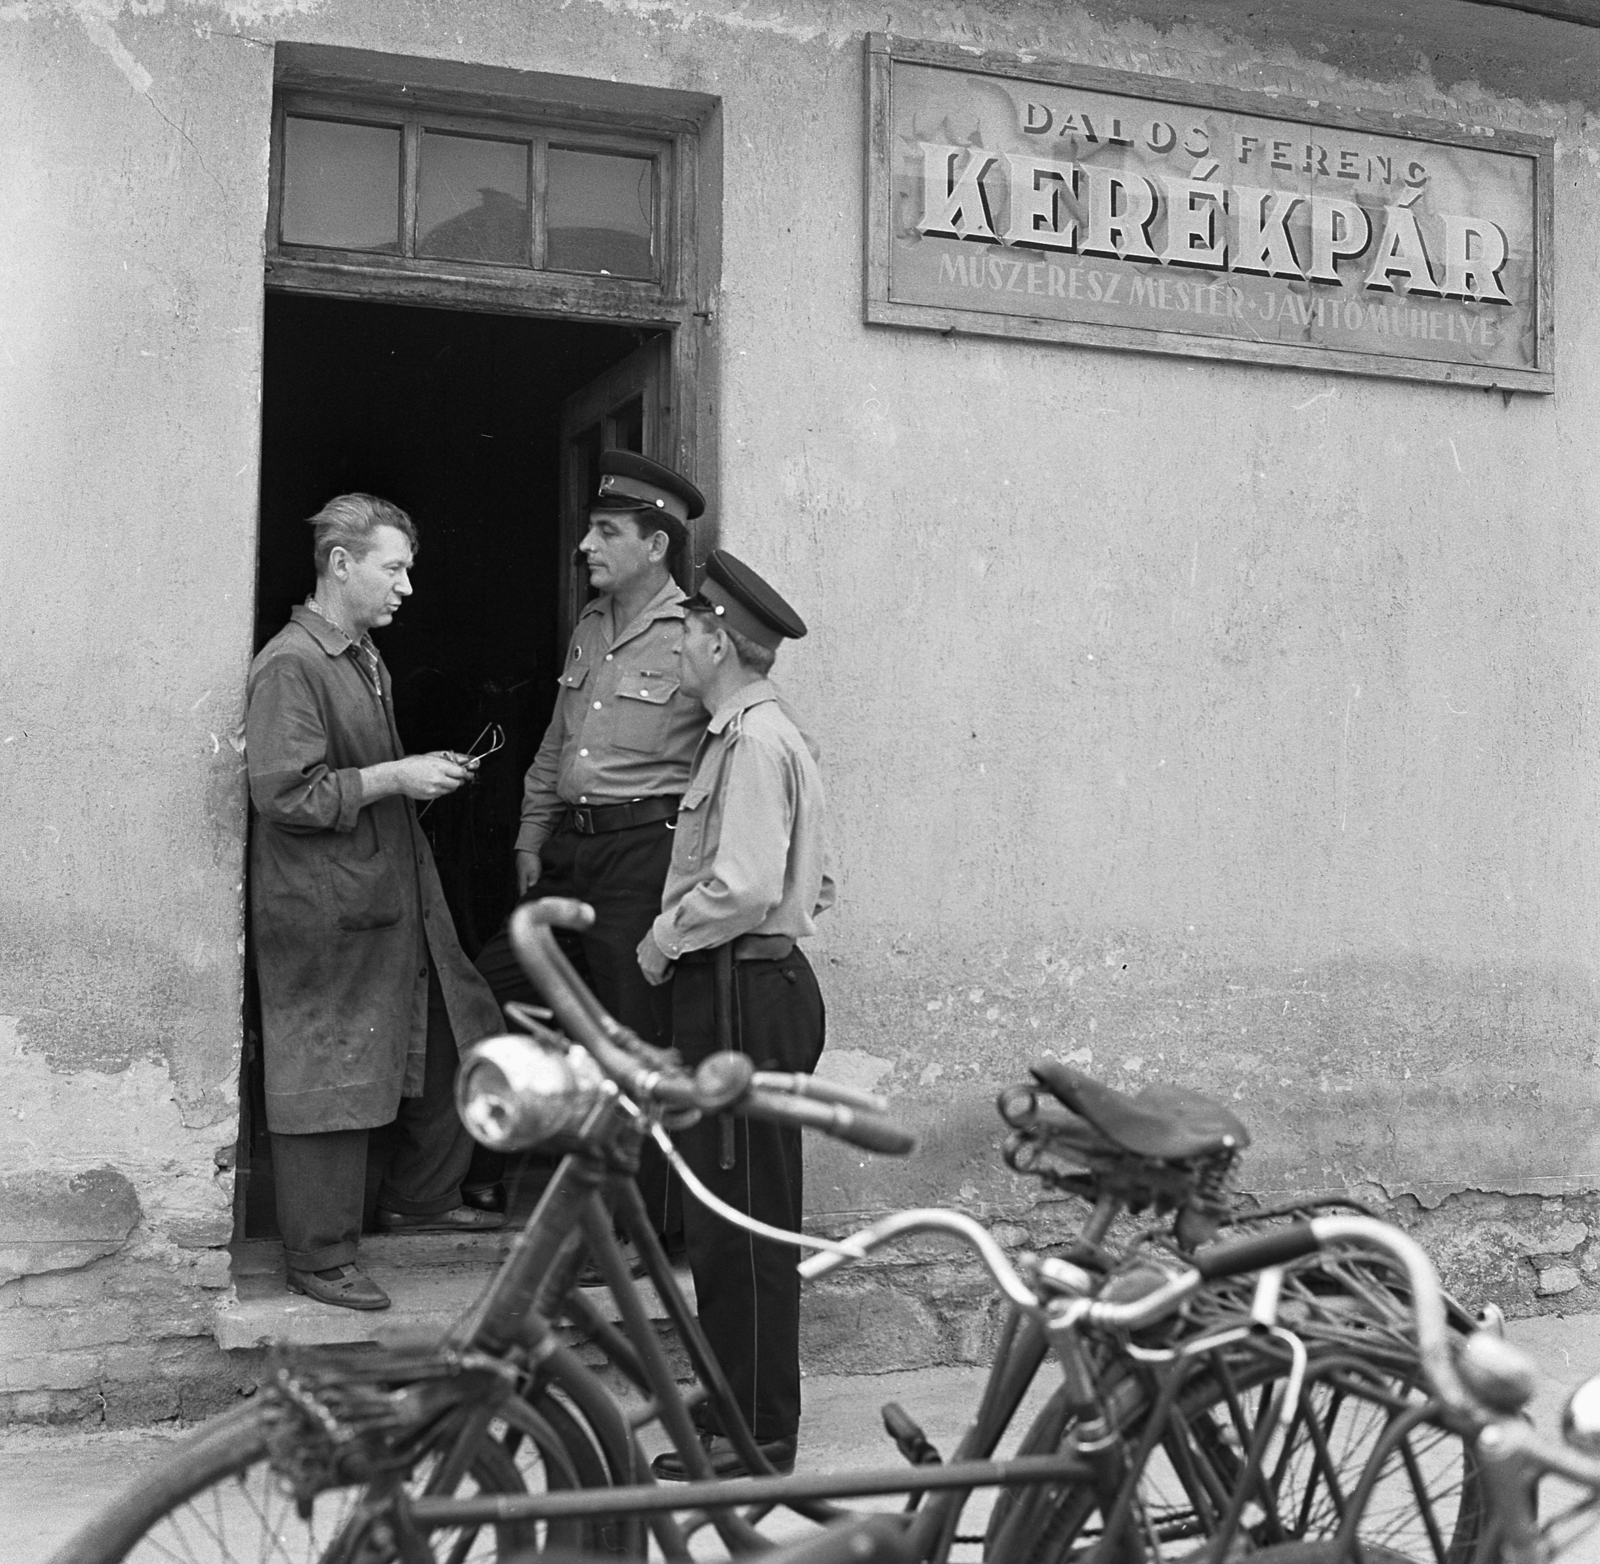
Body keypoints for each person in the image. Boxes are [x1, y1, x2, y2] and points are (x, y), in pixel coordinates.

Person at [246, 494, 507, 1312]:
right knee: (329, 1066)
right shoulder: (293, 662)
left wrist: (413, 773)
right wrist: (399, 776)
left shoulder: (359, 654)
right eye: (393, 569)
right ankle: (317, 1258)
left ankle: (422, 1199)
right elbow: (283, 792)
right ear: (341, 564)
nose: (406, 589)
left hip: (382, 889)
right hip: (324, 909)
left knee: (453, 1025)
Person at [470, 451, 708, 1229]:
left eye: (606, 532)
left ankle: (644, 1226)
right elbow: (554, 743)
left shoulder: (696, 637)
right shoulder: (591, 625)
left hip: (645, 855)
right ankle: (540, 1166)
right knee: (499, 983)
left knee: (639, 1035)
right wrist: (531, 835)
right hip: (572, 853)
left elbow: (727, 759)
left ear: (656, 544)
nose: (586, 548)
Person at [638, 550, 833, 1481]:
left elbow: (748, 884)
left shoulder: (751, 741)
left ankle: (754, 1439)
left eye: (685, 628)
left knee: (741, 1225)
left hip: (742, 991)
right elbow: (815, 882)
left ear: (717, 637)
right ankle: (742, 1418)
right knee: (736, 1220)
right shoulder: (762, 731)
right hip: (757, 987)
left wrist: (666, 937)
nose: (677, 640)